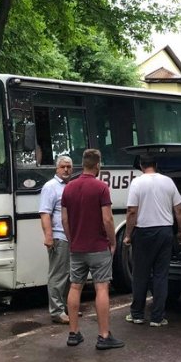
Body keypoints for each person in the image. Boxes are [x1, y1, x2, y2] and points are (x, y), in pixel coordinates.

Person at [61, 148, 124, 350]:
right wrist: (112, 241)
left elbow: (64, 219)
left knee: (75, 287)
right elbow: (107, 219)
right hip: (98, 247)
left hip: (77, 248)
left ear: (82, 164)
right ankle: (104, 336)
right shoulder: (101, 188)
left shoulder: (68, 188)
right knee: (101, 288)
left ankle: (73, 333)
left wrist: (72, 239)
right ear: (98, 165)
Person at [123, 153, 181, 327]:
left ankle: (137, 314)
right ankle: (157, 318)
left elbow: (132, 211)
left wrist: (128, 234)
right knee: (160, 275)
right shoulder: (168, 182)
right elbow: (179, 210)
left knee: (140, 274)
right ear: (156, 165)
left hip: (143, 233)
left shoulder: (137, 183)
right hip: (165, 232)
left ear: (141, 166)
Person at [39, 155, 73, 324]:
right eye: (63, 167)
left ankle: (66, 307)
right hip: (59, 237)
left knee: (68, 275)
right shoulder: (50, 187)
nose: (66, 170)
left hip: (71, 237)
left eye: (68, 167)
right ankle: (57, 312)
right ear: (56, 169)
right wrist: (49, 236)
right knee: (58, 276)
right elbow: (45, 213)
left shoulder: (70, 186)